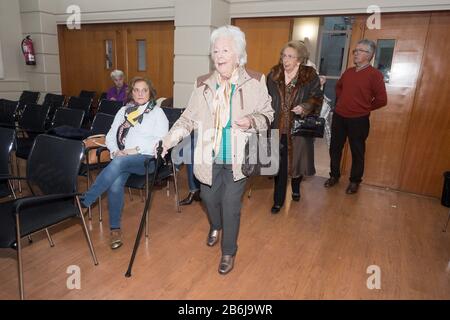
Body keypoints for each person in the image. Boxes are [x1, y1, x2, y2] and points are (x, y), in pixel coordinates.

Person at [160, 25, 273, 275]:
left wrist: (252, 120)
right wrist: (168, 140)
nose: (219, 55)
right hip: (207, 157)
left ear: (238, 54)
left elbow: (268, 114)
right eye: (215, 50)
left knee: (231, 204)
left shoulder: (255, 80)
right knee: (210, 199)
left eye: (225, 50)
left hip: (238, 158)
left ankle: (228, 251)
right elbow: (188, 118)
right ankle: (216, 225)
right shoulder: (203, 84)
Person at [81, 77, 169, 249]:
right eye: (136, 90)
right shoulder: (124, 111)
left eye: (144, 90)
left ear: (150, 92)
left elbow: (161, 142)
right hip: (122, 158)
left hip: (146, 159)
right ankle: (115, 230)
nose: (140, 93)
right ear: (132, 92)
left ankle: (85, 202)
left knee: (119, 163)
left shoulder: (157, 113)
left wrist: (132, 150)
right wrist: (115, 151)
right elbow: (111, 135)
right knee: (115, 183)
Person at [267, 40, 323, 214]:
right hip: (277, 125)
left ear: (299, 59)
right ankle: (278, 200)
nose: (286, 59)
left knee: (297, 161)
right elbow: (265, 96)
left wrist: (305, 107)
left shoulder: (309, 74)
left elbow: (317, 97)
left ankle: (296, 186)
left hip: (297, 127)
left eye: (290, 56)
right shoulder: (274, 73)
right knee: (280, 165)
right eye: (284, 55)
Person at [324, 39, 387, 194]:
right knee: (335, 148)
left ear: (370, 54)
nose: (356, 53)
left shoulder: (375, 75)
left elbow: (382, 100)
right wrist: (341, 103)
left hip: (359, 120)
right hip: (339, 116)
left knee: (357, 151)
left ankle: (354, 181)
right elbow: (339, 88)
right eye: (355, 50)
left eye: (360, 51)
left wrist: (364, 108)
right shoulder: (349, 72)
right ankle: (334, 176)